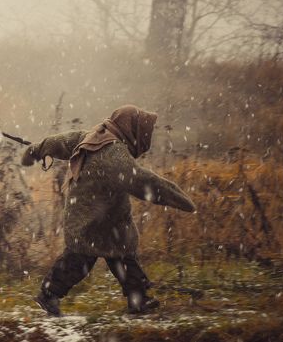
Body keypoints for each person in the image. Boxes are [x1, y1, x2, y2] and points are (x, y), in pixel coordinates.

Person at [21, 105, 196, 316]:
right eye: (145, 131)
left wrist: (38, 149)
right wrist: (180, 199)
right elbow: (141, 180)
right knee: (79, 260)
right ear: (132, 129)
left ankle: (138, 301)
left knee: (122, 256)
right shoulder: (112, 153)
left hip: (104, 216)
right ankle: (48, 296)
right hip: (92, 218)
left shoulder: (95, 136)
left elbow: (63, 141)